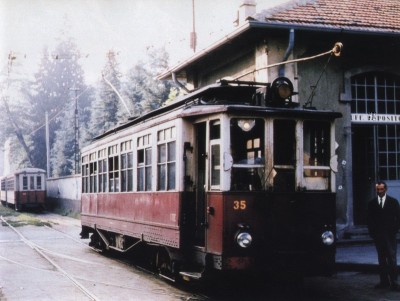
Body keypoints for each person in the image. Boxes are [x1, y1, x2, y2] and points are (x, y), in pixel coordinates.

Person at [367, 181, 400, 290]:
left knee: (392, 258)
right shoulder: (372, 204)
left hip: (390, 235)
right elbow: (369, 220)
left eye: (381, 189)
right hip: (378, 235)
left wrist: (394, 230)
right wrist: (372, 233)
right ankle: (384, 282)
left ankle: (394, 282)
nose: (379, 192)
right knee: (381, 259)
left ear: (385, 189)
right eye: (378, 190)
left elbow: (398, 218)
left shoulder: (393, 202)